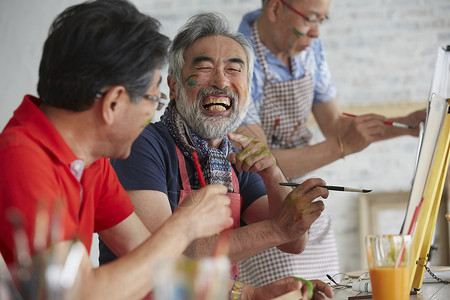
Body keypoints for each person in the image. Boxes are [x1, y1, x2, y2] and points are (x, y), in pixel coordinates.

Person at [0, 1, 235, 299]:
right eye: (154, 99)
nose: (154, 111)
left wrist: (246, 294)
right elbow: (75, 294)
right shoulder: (21, 159)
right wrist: (184, 227)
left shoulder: (90, 160)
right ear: (114, 103)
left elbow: (151, 261)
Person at [99, 12, 334, 299]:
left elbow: (293, 242)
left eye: (234, 70)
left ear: (248, 89)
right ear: (173, 87)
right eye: (206, 67)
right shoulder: (143, 145)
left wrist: (272, 171)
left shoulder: (234, 154)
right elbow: (166, 255)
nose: (221, 82)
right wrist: (276, 230)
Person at [235, 0, 426, 286]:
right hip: (265, 203)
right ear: (275, 9)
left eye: (322, 21)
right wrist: (342, 146)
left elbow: (335, 124)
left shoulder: (306, 47)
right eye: (311, 19)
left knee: (327, 290)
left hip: (308, 199)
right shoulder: (238, 60)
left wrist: (407, 125)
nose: (316, 34)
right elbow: (260, 161)